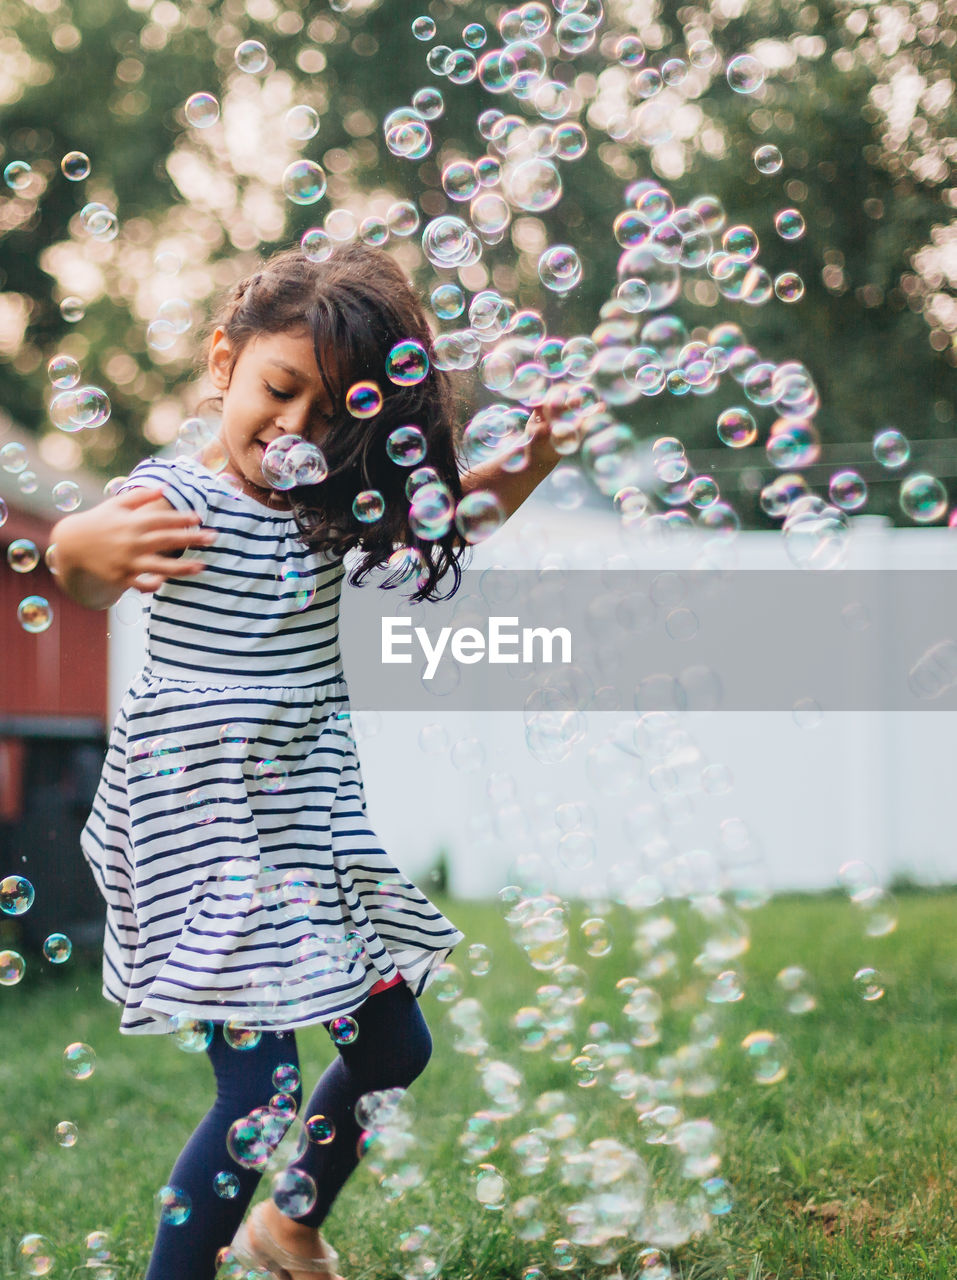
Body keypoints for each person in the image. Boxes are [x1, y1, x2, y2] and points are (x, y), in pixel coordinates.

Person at [52, 243, 563, 1280]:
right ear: (224, 361)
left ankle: (288, 1221)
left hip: (304, 822)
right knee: (259, 1093)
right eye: (278, 390)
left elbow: (445, 520)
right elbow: (85, 558)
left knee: (394, 1046)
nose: (296, 430)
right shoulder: (178, 500)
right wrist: (75, 545)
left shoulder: (328, 505)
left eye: (331, 414)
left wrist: (524, 473)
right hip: (206, 835)